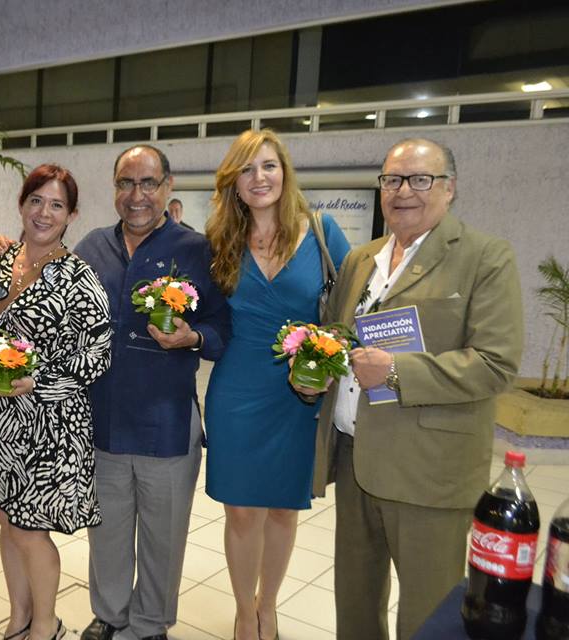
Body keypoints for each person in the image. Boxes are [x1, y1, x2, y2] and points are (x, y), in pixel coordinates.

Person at [307, 138, 523, 639]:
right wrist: (313, 367)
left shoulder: (484, 257)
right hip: (357, 457)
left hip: (429, 469)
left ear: (450, 189)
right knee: (355, 602)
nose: (403, 191)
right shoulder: (362, 260)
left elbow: (496, 364)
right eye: (392, 179)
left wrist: (399, 372)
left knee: (427, 611)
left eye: (420, 179)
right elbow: (339, 337)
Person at [75, 145, 231, 640]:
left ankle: (147, 626)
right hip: (102, 418)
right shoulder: (92, 247)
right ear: (115, 189)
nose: (136, 195)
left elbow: (222, 327)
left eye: (147, 183)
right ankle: (111, 615)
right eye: (126, 183)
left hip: (167, 422)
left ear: (168, 187)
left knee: (163, 537)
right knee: (108, 532)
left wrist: (194, 337)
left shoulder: (196, 250)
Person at [203, 129, 349, 640]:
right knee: (242, 510)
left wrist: (326, 358)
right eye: (247, 169)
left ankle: (270, 606)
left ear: (284, 173)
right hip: (237, 389)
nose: (259, 178)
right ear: (234, 183)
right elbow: (206, 316)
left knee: (284, 508)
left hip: (298, 390)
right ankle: (246, 611)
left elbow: (351, 310)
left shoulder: (323, 231)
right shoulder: (220, 240)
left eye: (268, 166)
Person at [0, 164, 112, 640]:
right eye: (36, 201)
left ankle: (45, 625)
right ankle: (19, 616)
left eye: (56, 205)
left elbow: (100, 353)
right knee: (7, 523)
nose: (44, 213)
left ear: (71, 215)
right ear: (22, 204)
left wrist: (41, 379)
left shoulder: (78, 275)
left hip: (47, 423)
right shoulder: (0, 260)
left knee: (30, 529)